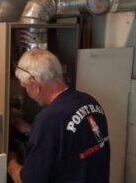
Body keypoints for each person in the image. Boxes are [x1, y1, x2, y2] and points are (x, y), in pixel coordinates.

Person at [7, 48, 110, 183]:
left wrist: (11, 163)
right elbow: (72, 142)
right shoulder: (90, 102)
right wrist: (32, 130)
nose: (26, 91)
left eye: (25, 86)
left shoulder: (48, 119)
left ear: (35, 85)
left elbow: (29, 180)